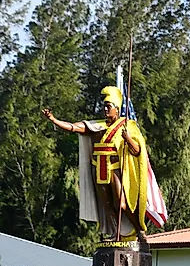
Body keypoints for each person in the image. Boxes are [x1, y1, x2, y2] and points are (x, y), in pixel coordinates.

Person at [42, 86, 152, 242]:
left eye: (109, 107)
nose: (105, 110)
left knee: (121, 204)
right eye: (104, 106)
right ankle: (116, 234)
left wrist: (127, 138)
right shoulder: (97, 126)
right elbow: (74, 127)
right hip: (98, 169)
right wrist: (54, 120)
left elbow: (137, 151)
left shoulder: (127, 126)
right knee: (107, 206)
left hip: (115, 170)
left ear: (117, 109)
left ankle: (139, 230)